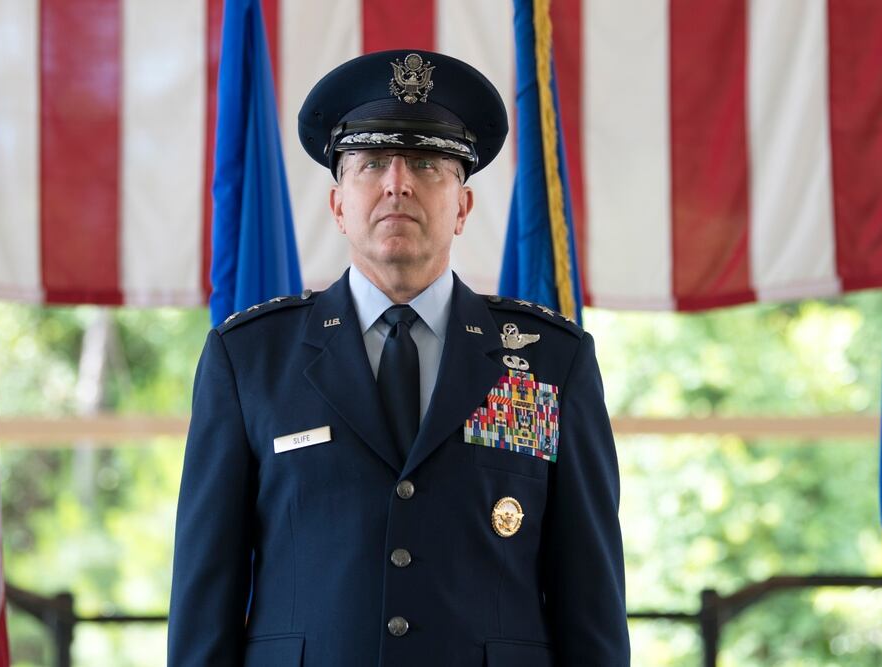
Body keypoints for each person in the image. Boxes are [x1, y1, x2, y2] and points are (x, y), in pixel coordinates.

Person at [168, 49, 630, 666]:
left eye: (426, 163)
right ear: (338, 205)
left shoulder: (553, 362)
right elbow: (205, 600)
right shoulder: (249, 359)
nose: (398, 183)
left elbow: (591, 601)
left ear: (462, 207)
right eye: (373, 162)